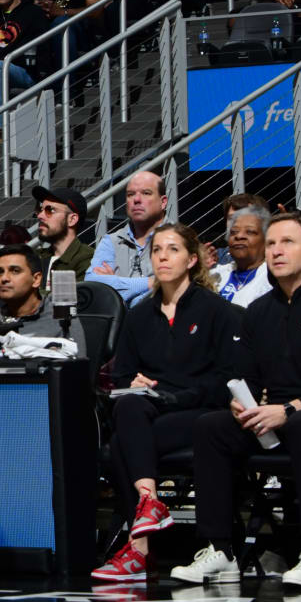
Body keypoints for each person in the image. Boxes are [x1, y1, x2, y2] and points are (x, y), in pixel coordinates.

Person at [171, 213, 301, 590]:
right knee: (212, 426)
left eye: (287, 242)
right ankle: (220, 549)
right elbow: (242, 375)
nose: (276, 251)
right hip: (276, 414)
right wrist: (239, 403)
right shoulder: (259, 312)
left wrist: (291, 408)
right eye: (271, 244)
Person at [92, 224, 238, 583]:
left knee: (121, 444)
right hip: (151, 409)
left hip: (200, 410)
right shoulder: (140, 314)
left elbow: (226, 380)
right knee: (128, 408)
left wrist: (178, 395)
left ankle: (139, 548)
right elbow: (121, 376)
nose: (162, 257)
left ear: (191, 260)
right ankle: (149, 504)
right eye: (157, 250)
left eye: (172, 250)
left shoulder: (216, 310)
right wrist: (133, 383)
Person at [89, 171, 169, 304]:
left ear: (163, 202)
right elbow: (93, 281)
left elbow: (176, 287)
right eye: (130, 194)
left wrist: (116, 285)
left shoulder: (179, 240)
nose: (136, 200)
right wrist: (152, 282)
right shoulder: (111, 241)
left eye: (146, 193)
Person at [211, 203, 273, 306]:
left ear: (266, 239)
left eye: (250, 232)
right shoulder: (215, 274)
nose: (239, 236)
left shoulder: (273, 278)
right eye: (234, 232)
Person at [33, 185, 93, 278]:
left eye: (50, 210)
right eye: (40, 210)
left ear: (72, 219)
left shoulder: (90, 259)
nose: (40, 216)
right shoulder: (35, 257)